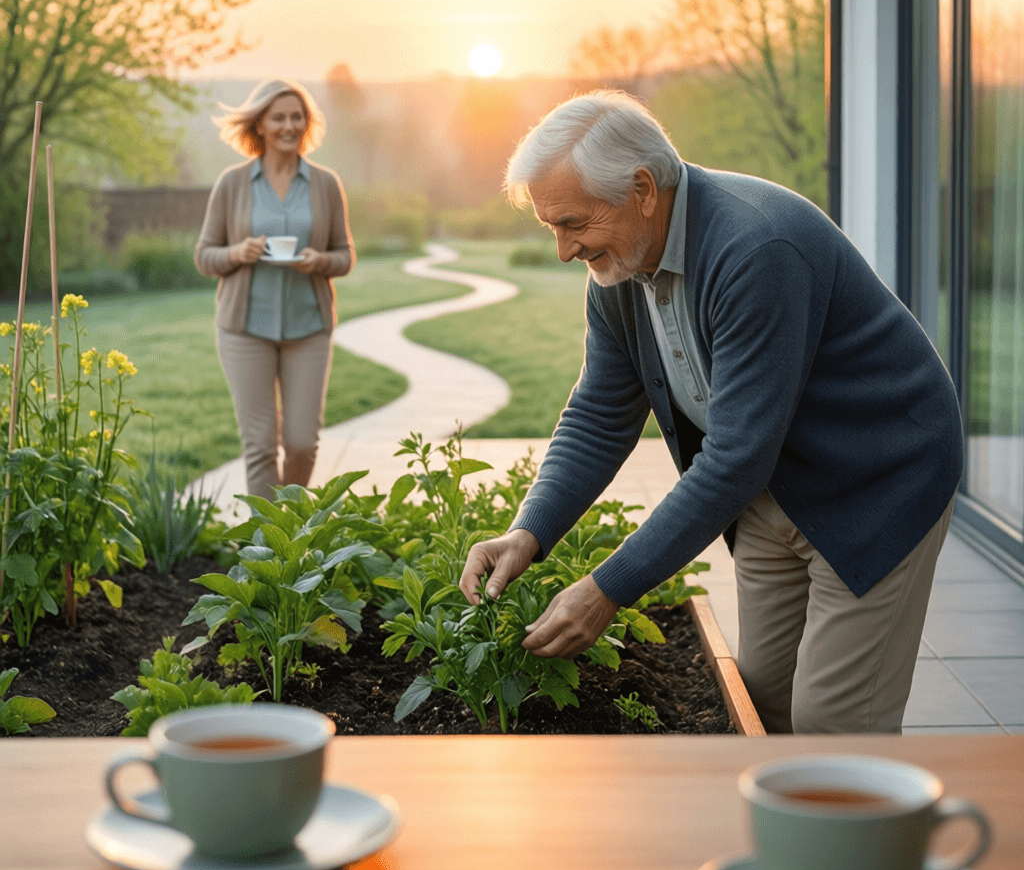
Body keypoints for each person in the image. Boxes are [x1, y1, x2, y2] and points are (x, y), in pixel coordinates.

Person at [458, 91, 963, 734]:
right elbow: (599, 415)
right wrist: (527, 532)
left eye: (573, 223)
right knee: (762, 698)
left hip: (877, 479)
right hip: (775, 484)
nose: (563, 250)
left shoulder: (755, 248)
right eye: (550, 227)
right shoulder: (620, 271)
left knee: (833, 720)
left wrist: (607, 590)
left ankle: (852, 800)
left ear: (643, 189)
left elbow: (734, 459)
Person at [195, 79, 354, 500]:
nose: (289, 126)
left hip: (309, 328)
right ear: (260, 124)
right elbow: (204, 255)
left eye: (297, 117)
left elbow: (346, 255)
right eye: (278, 117)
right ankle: (267, 536)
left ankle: (292, 521)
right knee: (260, 446)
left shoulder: (325, 183)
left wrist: (319, 261)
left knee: (302, 442)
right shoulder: (232, 184)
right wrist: (237, 253)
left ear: (307, 123)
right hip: (245, 330)